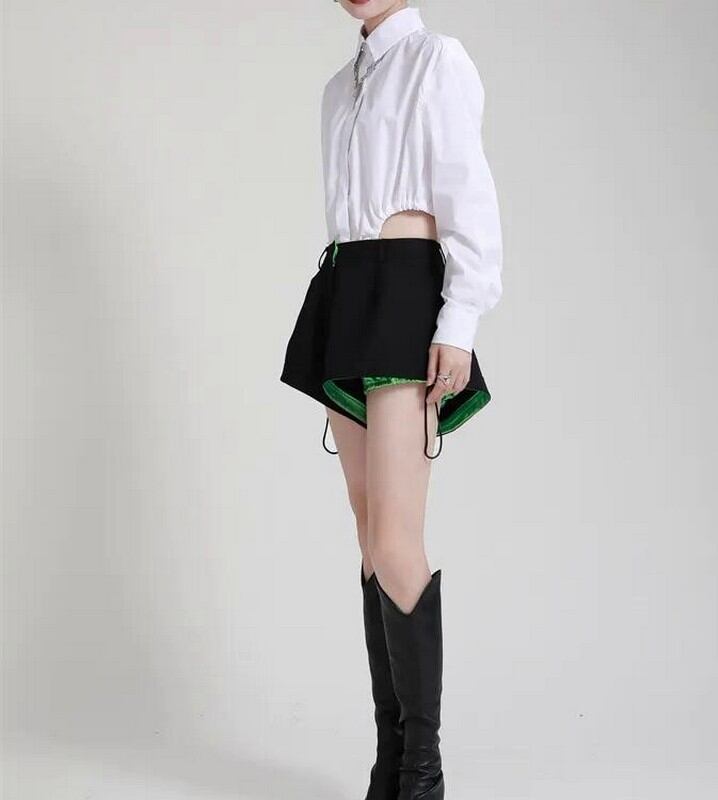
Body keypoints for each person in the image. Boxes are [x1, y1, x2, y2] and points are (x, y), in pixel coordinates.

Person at [279, 2, 503, 797]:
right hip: (348, 290)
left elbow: (469, 196)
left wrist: (460, 323)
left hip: (407, 294)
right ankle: (391, 757)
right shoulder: (339, 88)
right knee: (369, 530)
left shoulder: (437, 60)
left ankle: (422, 773)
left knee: (398, 533)